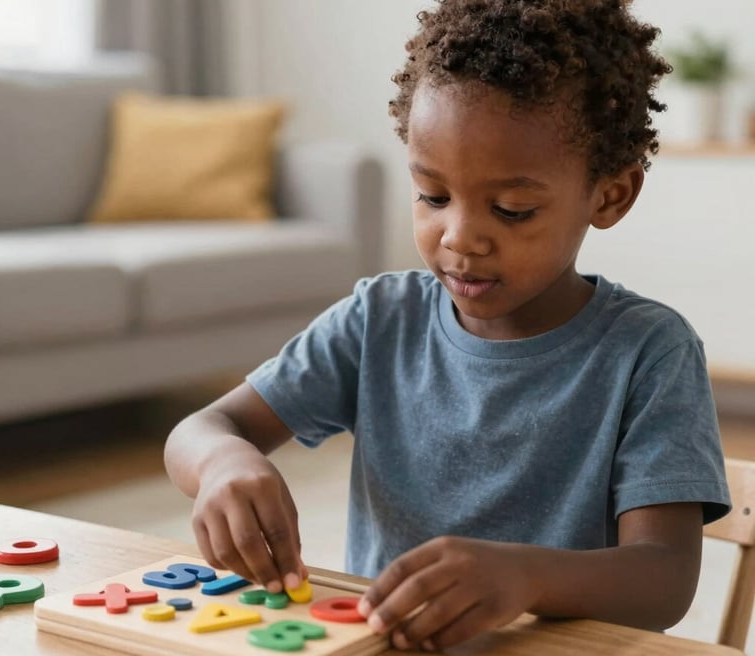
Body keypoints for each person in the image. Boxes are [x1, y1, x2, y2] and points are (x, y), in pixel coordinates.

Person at [164, 0, 731, 651]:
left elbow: (664, 580)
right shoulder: (379, 320)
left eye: (512, 209)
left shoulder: (649, 353)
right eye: (433, 196)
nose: (459, 238)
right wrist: (223, 463)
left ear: (610, 195)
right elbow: (200, 428)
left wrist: (526, 577)